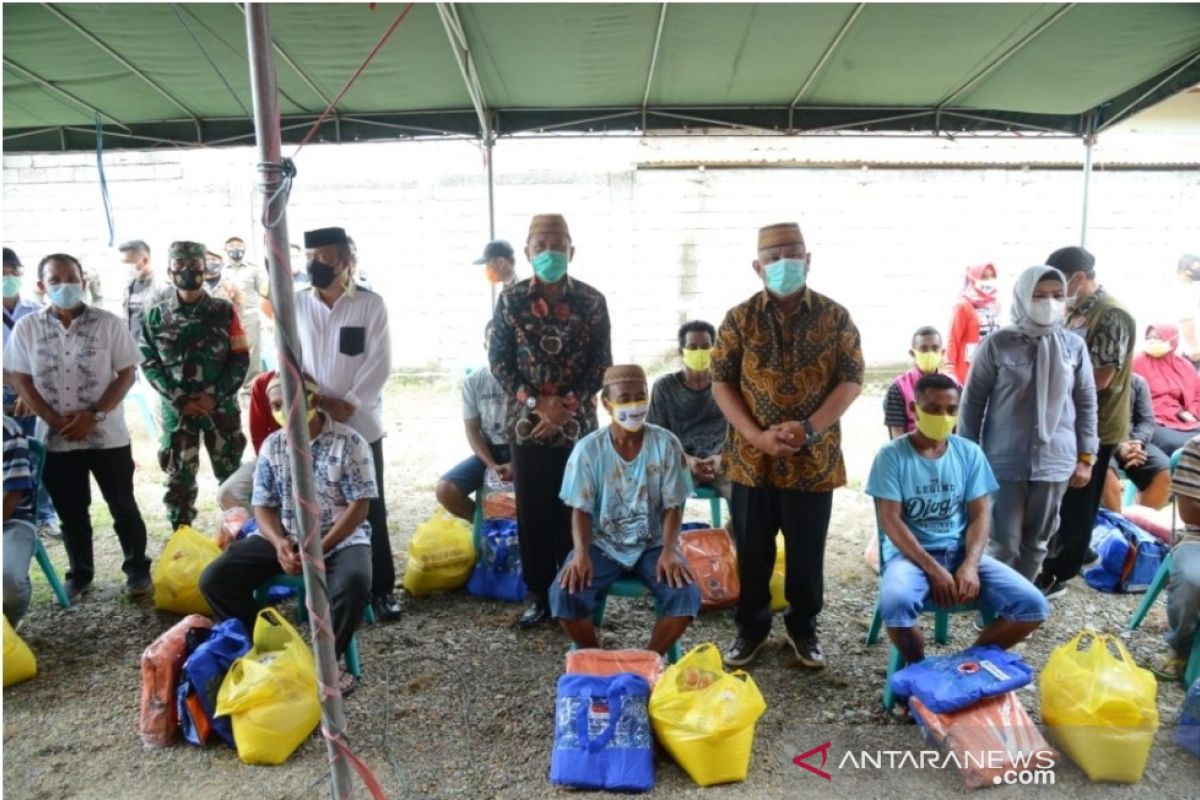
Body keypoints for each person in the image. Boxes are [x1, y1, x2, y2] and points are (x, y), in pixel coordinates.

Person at [711, 222, 863, 668]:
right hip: (750, 462)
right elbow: (722, 383)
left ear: (809, 259)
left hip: (812, 461)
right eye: (773, 258)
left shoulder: (836, 317)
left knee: (806, 553)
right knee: (752, 552)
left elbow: (852, 380)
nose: (783, 264)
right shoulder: (739, 319)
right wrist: (757, 436)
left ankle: (803, 628)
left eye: (792, 254)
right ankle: (751, 629)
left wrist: (810, 428)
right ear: (758, 267)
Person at [200, 372, 374, 695]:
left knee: (353, 583)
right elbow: (262, 506)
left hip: (340, 537)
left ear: (314, 401)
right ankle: (276, 648)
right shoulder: (273, 446)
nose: (284, 411)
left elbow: (359, 508)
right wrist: (280, 542)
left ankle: (325, 662)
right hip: (288, 535)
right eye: (277, 405)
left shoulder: (350, 443)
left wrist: (320, 547)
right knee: (215, 580)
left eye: (290, 402)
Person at [866, 373, 1048, 670]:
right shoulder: (891, 456)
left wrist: (971, 564)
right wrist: (933, 568)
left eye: (951, 409)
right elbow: (890, 520)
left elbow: (980, 515)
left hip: (961, 553)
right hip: (909, 558)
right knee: (896, 608)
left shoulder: (969, 453)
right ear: (914, 410)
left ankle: (962, 666)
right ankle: (921, 669)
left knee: (1033, 606)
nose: (944, 416)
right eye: (934, 409)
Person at [490, 213, 612, 628]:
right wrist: (536, 404)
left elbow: (602, 364)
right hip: (526, 422)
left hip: (578, 422)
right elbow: (500, 362)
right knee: (534, 507)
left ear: (571, 251)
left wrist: (567, 404)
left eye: (557, 244)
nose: (549, 252)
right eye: (540, 245)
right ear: (527, 252)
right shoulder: (509, 301)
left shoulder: (593, 301)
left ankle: (577, 590)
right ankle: (539, 594)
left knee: (577, 505)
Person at [4, 253, 151, 598]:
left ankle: (137, 570)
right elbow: (20, 377)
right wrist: (51, 419)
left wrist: (95, 414)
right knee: (71, 511)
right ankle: (80, 574)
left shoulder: (109, 323)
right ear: (41, 286)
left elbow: (127, 373)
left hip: (107, 435)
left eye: (71, 278)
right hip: (56, 439)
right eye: (55, 280)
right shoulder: (28, 328)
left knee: (123, 505)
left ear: (83, 282)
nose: (64, 286)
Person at [959, 266, 1097, 582]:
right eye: (1039, 295)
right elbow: (972, 404)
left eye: (1057, 295)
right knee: (1002, 541)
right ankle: (994, 606)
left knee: (1037, 542)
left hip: (1056, 460)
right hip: (1004, 459)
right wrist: (967, 457)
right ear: (1022, 296)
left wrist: (1086, 457)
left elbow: (1087, 404)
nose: (1049, 302)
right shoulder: (996, 344)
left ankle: (1018, 610)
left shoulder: (1073, 346)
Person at [550, 364, 699, 654]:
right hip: (602, 542)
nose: (634, 405)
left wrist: (670, 550)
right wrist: (580, 554)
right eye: (624, 398)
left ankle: (648, 661)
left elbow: (673, 505)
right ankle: (598, 656)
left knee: (686, 595)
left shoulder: (667, 444)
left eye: (640, 396)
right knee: (564, 596)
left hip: (652, 543)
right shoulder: (588, 449)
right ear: (607, 403)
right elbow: (580, 509)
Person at [295, 226, 400, 621]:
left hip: (360, 423)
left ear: (346, 260)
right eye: (311, 258)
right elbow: (289, 359)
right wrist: (315, 402)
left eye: (325, 258)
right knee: (317, 503)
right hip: (311, 422)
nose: (316, 265)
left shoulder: (370, 305)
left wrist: (349, 403)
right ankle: (324, 586)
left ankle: (382, 588)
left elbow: (380, 362)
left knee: (369, 505)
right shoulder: (297, 304)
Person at [1037, 246, 1136, 599]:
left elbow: (1101, 379)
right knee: (1067, 497)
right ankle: (1078, 550)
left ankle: (1058, 573)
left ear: (1078, 278)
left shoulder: (1111, 316)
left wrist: (1047, 382)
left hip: (1095, 424)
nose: (1057, 293)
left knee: (1079, 499)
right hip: (1069, 418)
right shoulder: (1075, 311)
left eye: (1061, 283)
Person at [140, 241, 249, 530]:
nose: (188, 272)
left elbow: (240, 358)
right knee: (179, 482)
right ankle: (182, 539)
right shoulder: (154, 315)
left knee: (232, 479)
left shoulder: (224, 311)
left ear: (205, 269)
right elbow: (148, 362)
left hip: (220, 410)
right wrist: (178, 398)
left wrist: (214, 395)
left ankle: (238, 537)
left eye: (195, 267)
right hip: (179, 414)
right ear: (170, 271)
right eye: (180, 267)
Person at [3, 248, 58, 537]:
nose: (8, 277)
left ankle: (43, 515)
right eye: (3, 271)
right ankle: (11, 514)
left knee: (39, 452)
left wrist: (29, 389)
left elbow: (50, 355)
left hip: (34, 394)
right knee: (9, 457)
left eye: (14, 271)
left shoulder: (36, 311)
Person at [647, 320, 731, 503]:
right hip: (679, 461)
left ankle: (732, 532)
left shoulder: (726, 385)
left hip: (723, 461)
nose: (699, 352)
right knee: (660, 494)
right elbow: (655, 436)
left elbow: (740, 430)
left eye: (705, 346)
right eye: (692, 347)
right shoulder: (665, 387)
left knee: (750, 496)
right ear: (681, 351)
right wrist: (686, 460)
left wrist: (722, 458)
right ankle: (671, 533)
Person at [436, 322, 511, 522]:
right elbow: (472, 430)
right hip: (489, 452)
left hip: (526, 453)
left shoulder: (528, 381)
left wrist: (516, 465)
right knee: (446, 491)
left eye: (505, 340)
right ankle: (483, 525)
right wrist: (492, 465)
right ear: (485, 345)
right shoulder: (474, 381)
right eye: (492, 340)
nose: (499, 345)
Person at [1149, 431, 1200, 681]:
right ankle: (1180, 644)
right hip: (1198, 537)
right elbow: (1190, 512)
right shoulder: (1197, 447)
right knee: (1192, 581)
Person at [1101, 374, 1172, 511]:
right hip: (1102, 441)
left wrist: (1138, 442)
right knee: (1104, 472)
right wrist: (1118, 447)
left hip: (1133, 441)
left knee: (1164, 472)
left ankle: (1137, 526)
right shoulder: (1095, 379)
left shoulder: (1136, 382)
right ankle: (1118, 524)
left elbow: (1147, 421)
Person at [1133, 322, 1200, 455]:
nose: (1152, 342)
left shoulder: (1184, 366)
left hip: (1182, 419)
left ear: (1172, 340)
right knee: (1178, 445)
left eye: (1158, 338)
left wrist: (1192, 412)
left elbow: (1197, 395)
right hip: (1152, 420)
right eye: (1149, 338)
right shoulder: (1136, 363)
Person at [216, 370, 278, 510]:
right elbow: (258, 433)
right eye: (276, 405)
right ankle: (261, 530)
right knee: (228, 495)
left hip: (312, 457)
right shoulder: (263, 382)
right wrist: (269, 467)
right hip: (272, 457)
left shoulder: (316, 381)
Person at [883, 326, 953, 439]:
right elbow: (897, 434)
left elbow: (959, 428)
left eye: (935, 349)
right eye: (924, 349)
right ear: (912, 353)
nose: (930, 353)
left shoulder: (954, 386)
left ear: (942, 352)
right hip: (910, 450)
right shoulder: (898, 387)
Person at [3, 416, 37, 624]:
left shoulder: (7, 431)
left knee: (9, 578)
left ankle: (8, 623)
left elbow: (12, 495)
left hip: (11, 518)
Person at [223, 236, 270, 387]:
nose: (236, 248)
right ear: (226, 249)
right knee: (231, 351)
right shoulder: (222, 271)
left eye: (239, 245)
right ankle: (236, 385)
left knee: (253, 352)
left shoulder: (253, 269)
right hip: (229, 316)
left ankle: (252, 387)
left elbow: (263, 291)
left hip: (250, 315)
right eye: (232, 246)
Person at [946, 263, 1001, 385]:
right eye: (984, 277)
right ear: (973, 278)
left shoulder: (995, 304)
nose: (988, 281)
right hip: (969, 370)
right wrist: (950, 370)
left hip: (992, 365)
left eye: (992, 276)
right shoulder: (963, 305)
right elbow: (953, 339)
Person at [119, 239, 169, 344]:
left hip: (154, 352)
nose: (126, 268)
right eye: (123, 263)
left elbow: (170, 325)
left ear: (145, 260)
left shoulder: (162, 287)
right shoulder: (128, 286)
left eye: (129, 263)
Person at [1174, 254, 1200, 364]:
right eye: (1197, 267)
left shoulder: (1190, 288)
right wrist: (1194, 347)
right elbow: (1186, 320)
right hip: (1190, 353)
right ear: (1185, 269)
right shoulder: (1182, 290)